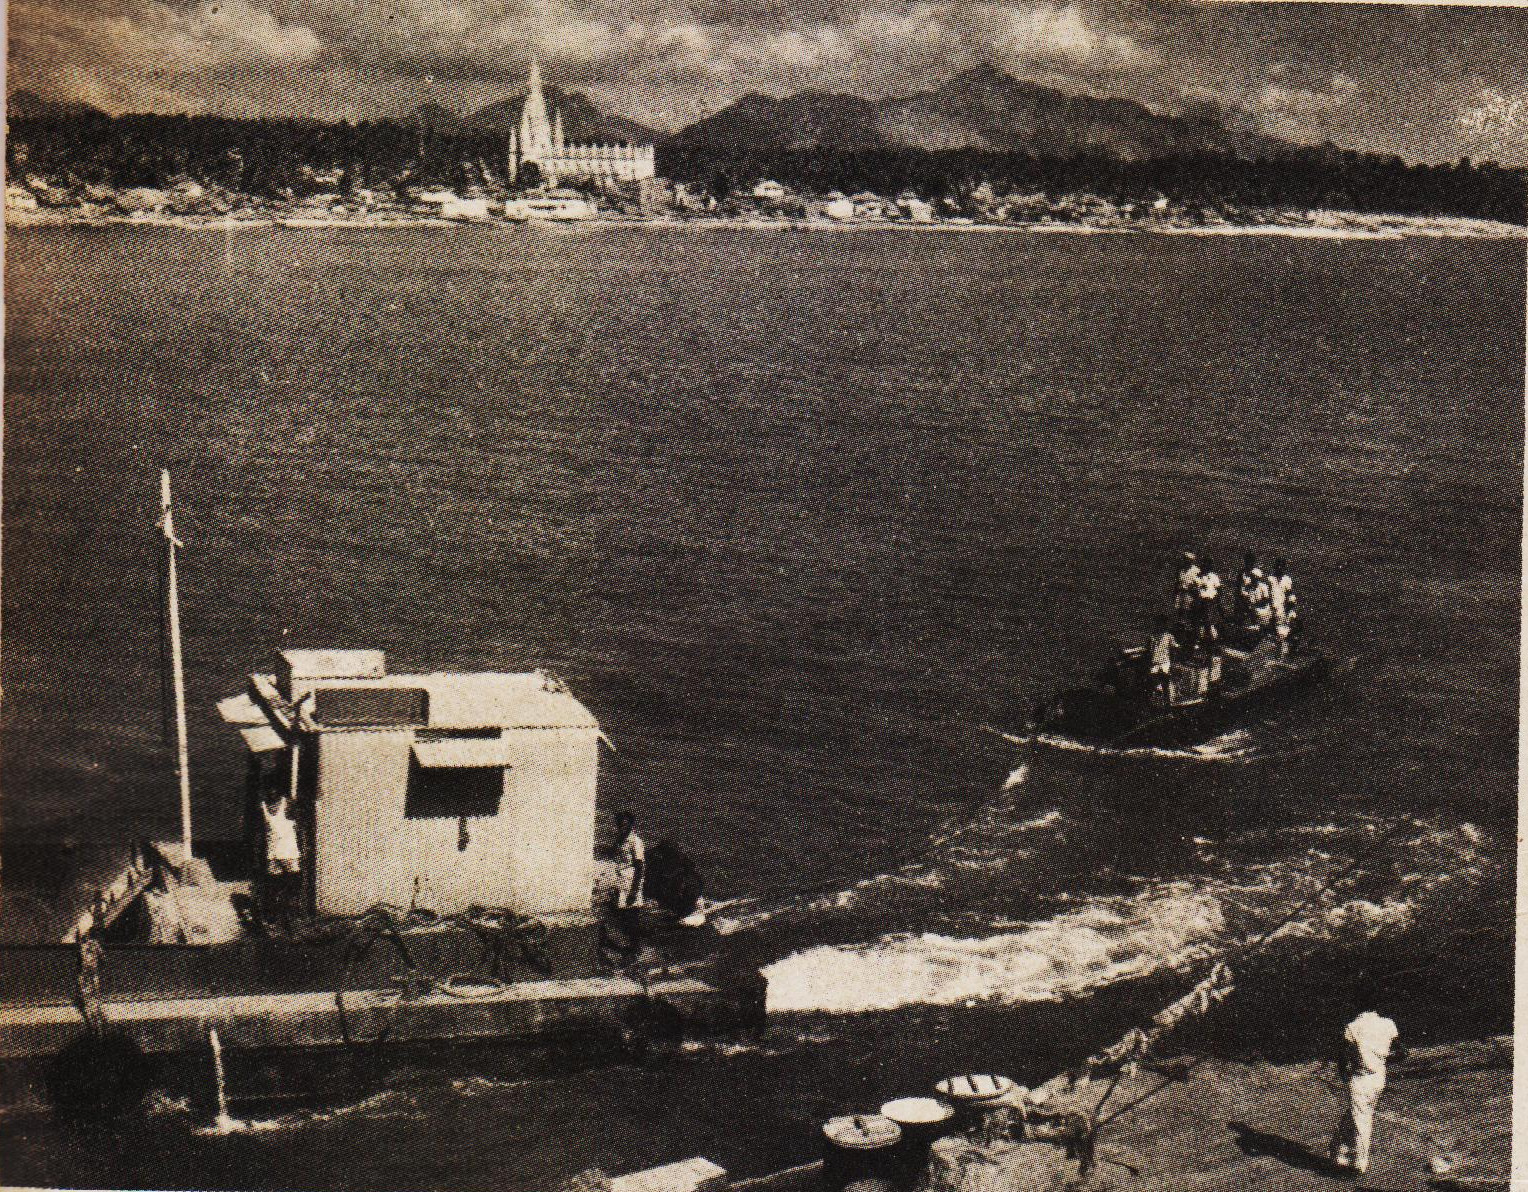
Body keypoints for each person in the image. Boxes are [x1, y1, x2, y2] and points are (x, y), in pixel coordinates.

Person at [1329, 990, 1407, 1177]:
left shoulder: (1353, 1027)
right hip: (1379, 1079)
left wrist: (1344, 1075)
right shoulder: (1388, 1024)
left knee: (1361, 1120)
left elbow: (1341, 1055)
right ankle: (1339, 1151)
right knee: (1357, 1114)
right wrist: (1381, 1060)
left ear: (1357, 1006)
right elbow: (1402, 1053)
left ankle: (1358, 1164)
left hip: (1360, 1079)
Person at [261, 792, 302, 931]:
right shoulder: (263, 806)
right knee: (274, 887)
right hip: (275, 854)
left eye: (274, 789)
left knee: (291, 885)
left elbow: (298, 825)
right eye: (269, 789)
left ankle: (287, 916)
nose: (272, 792)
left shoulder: (286, 804)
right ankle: (275, 921)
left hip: (286, 852)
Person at [610, 811, 646, 964]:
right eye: (620, 824)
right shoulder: (620, 840)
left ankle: (635, 949)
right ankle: (629, 948)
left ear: (631, 825)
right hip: (621, 882)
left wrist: (634, 890)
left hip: (631, 883)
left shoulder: (635, 842)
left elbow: (639, 867)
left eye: (626, 824)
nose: (622, 827)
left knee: (632, 918)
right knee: (623, 917)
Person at [1268, 557, 1299, 657]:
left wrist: (1289, 610)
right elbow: (1268, 595)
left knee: (1284, 633)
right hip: (1273, 610)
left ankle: (1284, 654)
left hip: (1283, 610)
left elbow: (1290, 596)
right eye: (1278, 566)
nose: (1280, 568)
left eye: (1282, 567)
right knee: (1274, 634)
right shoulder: (1270, 579)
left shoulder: (1286, 580)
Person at [1193, 555, 1222, 654]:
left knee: (1210, 623)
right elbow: (1195, 590)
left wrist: (1217, 603)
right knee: (1200, 622)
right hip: (1200, 602)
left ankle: (1214, 643)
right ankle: (1199, 641)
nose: (1205, 566)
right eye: (1204, 564)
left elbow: (1218, 590)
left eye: (1208, 565)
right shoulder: (1198, 577)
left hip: (1210, 602)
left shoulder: (1214, 577)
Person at [1235, 553, 1271, 631]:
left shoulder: (1257, 572)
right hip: (1245, 598)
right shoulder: (1242, 573)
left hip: (1255, 598)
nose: (1249, 563)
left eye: (1251, 561)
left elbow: (1262, 588)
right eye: (1247, 561)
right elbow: (1238, 589)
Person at [1148, 615, 1175, 707]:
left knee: (1165, 683)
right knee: (1155, 682)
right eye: (1158, 624)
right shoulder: (1152, 636)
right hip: (1156, 662)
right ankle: (1157, 702)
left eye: (1161, 624)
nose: (1159, 626)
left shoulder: (1168, 636)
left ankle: (1167, 703)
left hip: (1164, 663)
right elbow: (1151, 649)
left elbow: (1174, 646)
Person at [1173, 551, 1201, 628]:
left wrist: (1193, 588)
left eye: (1188, 560)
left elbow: (1198, 584)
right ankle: (1180, 627)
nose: (1187, 561)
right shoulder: (1181, 570)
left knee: (1188, 611)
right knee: (1180, 611)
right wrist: (1175, 592)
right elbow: (1178, 582)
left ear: (1192, 561)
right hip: (1181, 593)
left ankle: (1188, 628)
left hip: (1190, 594)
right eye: (1185, 560)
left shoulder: (1196, 570)